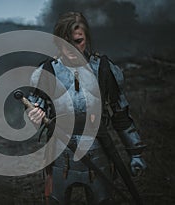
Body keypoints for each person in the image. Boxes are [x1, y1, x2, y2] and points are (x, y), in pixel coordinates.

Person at [27, 12, 147, 205]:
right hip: (60, 153)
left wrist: (135, 153)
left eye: (78, 41)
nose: (71, 49)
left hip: (98, 149)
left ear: (87, 38)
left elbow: (120, 115)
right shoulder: (47, 71)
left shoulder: (104, 69)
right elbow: (35, 110)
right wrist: (34, 115)